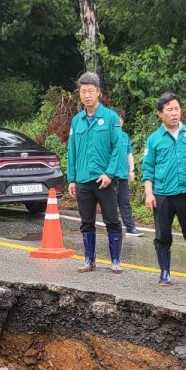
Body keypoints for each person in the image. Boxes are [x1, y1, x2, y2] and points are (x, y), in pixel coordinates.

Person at [140, 93, 186, 286]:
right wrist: (149, 193)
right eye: (169, 110)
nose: (174, 113)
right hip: (163, 194)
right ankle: (164, 273)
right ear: (160, 114)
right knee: (162, 235)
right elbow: (148, 169)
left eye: (177, 109)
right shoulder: (154, 139)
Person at [66, 72, 124, 272]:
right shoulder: (77, 120)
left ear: (98, 92)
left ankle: (115, 260)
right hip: (83, 179)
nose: (87, 95)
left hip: (104, 179)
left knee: (111, 219)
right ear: (79, 94)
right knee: (86, 221)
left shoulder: (110, 118)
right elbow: (71, 150)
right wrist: (72, 178)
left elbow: (118, 147)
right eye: (83, 91)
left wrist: (110, 173)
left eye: (91, 91)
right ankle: (89, 260)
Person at [110, 108, 143, 237]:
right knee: (110, 204)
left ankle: (130, 228)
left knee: (125, 202)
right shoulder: (107, 135)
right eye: (117, 119)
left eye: (121, 119)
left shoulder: (124, 136)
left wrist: (131, 170)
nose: (119, 121)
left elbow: (129, 153)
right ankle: (113, 228)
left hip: (123, 175)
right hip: (111, 175)